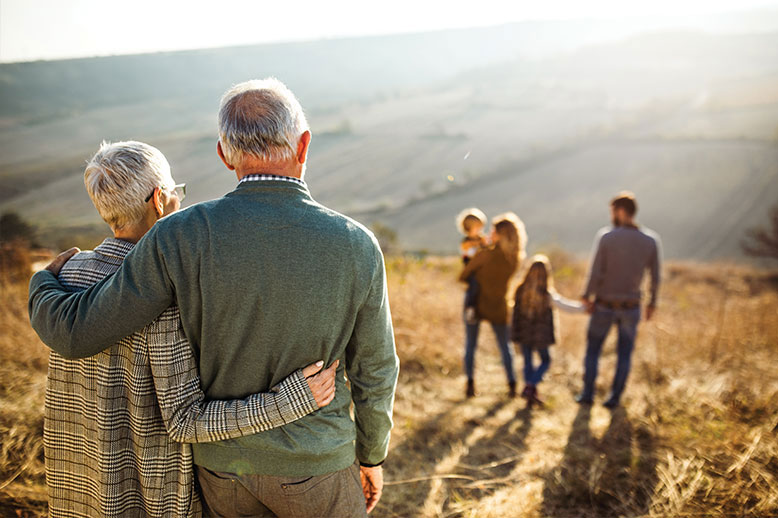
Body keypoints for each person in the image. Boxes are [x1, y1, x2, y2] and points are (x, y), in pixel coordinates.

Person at [29, 78, 399, 518]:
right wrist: (371, 455)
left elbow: (80, 331)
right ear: (304, 146)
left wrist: (43, 284)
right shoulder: (356, 244)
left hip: (222, 472)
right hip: (317, 465)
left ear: (224, 155)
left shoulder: (180, 235)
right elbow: (375, 369)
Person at [43, 140, 337, 517]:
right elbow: (184, 420)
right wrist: (290, 401)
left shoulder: (67, 275)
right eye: (177, 193)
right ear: (161, 199)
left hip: (77, 488)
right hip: (147, 496)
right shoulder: (167, 295)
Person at [577, 191, 661, 408]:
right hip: (632, 306)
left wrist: (587, 296)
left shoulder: (607, 237)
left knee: (593, 350)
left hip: (604, 304)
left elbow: (596, 271)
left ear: (621, 211)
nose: (611, 216)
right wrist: (652, 303)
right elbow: (655, 276)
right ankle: (614, 398)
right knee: (625, 354)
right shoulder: (650, 240)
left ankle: (587, 394)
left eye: (613, 211)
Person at [459, 212, 526, 398]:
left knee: (471, 345)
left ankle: (470, 384)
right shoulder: (514, 258)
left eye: (493, 230)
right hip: (499, 304)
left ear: (499, 234)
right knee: (505, 346)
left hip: (475, 302)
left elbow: (464, 275)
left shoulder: (485, 254)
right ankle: (512, 384)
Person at [511, 255, 584, 408]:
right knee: (546, 360)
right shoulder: (546, 293)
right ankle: (531, 386)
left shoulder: (520, 290)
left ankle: (530, 390)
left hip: (524, 333)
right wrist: (584, 308)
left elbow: (514, 313)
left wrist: (514, 332)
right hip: (540, 335)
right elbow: (565, 306)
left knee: (528, 362)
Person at [456, 207, 489, 324]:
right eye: (477, 227)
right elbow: (468, 252)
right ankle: (470, 308)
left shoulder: (482, 239)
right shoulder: (466, 242)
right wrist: (480, 244)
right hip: (471, 271)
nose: (480, 230)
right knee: (474, 285)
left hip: (482, 270)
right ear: (468, 228)